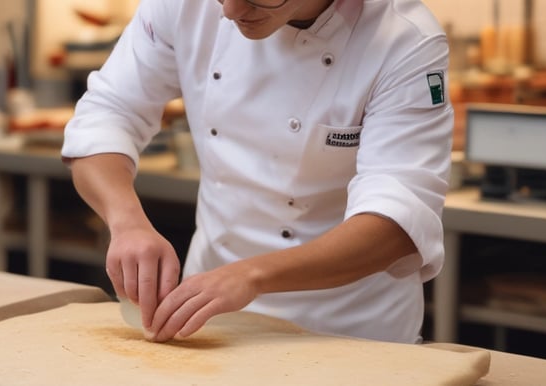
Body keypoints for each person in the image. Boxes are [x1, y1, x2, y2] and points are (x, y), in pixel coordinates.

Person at [61, 0, 453, 344]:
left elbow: (397, 223)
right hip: (212, 323)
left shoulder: (404, 40)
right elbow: (108, 112)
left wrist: (252, 275)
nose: (230, 10)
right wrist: (126, 222)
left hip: (348, 330)